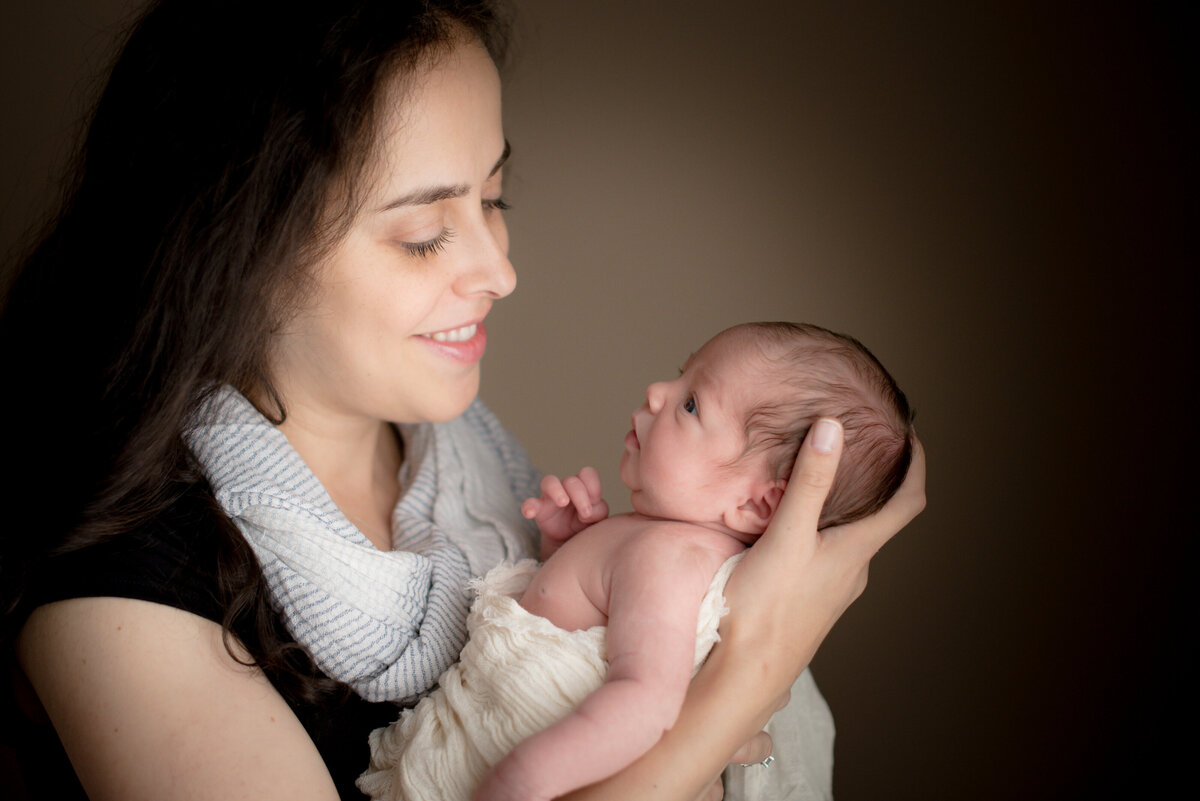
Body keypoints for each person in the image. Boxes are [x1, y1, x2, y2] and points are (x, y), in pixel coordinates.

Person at [0, 2, 926, 800]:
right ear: (233, 248)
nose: (501, 272)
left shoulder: (462, 459)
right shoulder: (122, 593)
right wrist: (740, 687)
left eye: (496, 198)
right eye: (422, 235)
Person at [358, 321, 914, 801]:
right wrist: (569, 548)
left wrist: (528, 775)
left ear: (755, 502)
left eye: (693, 403)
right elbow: (585, 631)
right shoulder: (663, 543)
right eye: (680, 375)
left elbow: (645, 700)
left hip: (514, 767)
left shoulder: (674, 559)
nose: (657, 392)